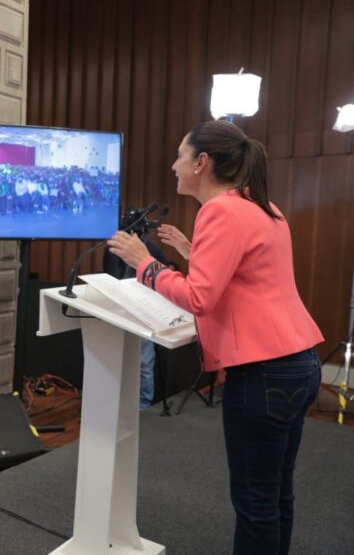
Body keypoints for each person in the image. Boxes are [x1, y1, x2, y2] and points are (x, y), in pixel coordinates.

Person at [107, 120, 323, 555]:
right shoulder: (264, 207)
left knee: (255, 503)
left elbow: (200, 298)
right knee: (276, 493)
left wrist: (144, 263)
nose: (173, 166)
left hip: (262, 375)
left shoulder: (219, 211)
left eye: (180, 156)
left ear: (201, 163)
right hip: (299, 365)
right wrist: (192, 252)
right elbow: (250, 277)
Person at [103, 207, 173, 411]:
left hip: (145, 311)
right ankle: (116, 403)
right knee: (117, 361)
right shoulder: (112, 249)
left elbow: (163, 274)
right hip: (119, 309)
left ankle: (142, 406)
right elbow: (109, 274)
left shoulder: (152, 249)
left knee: (143, 363)